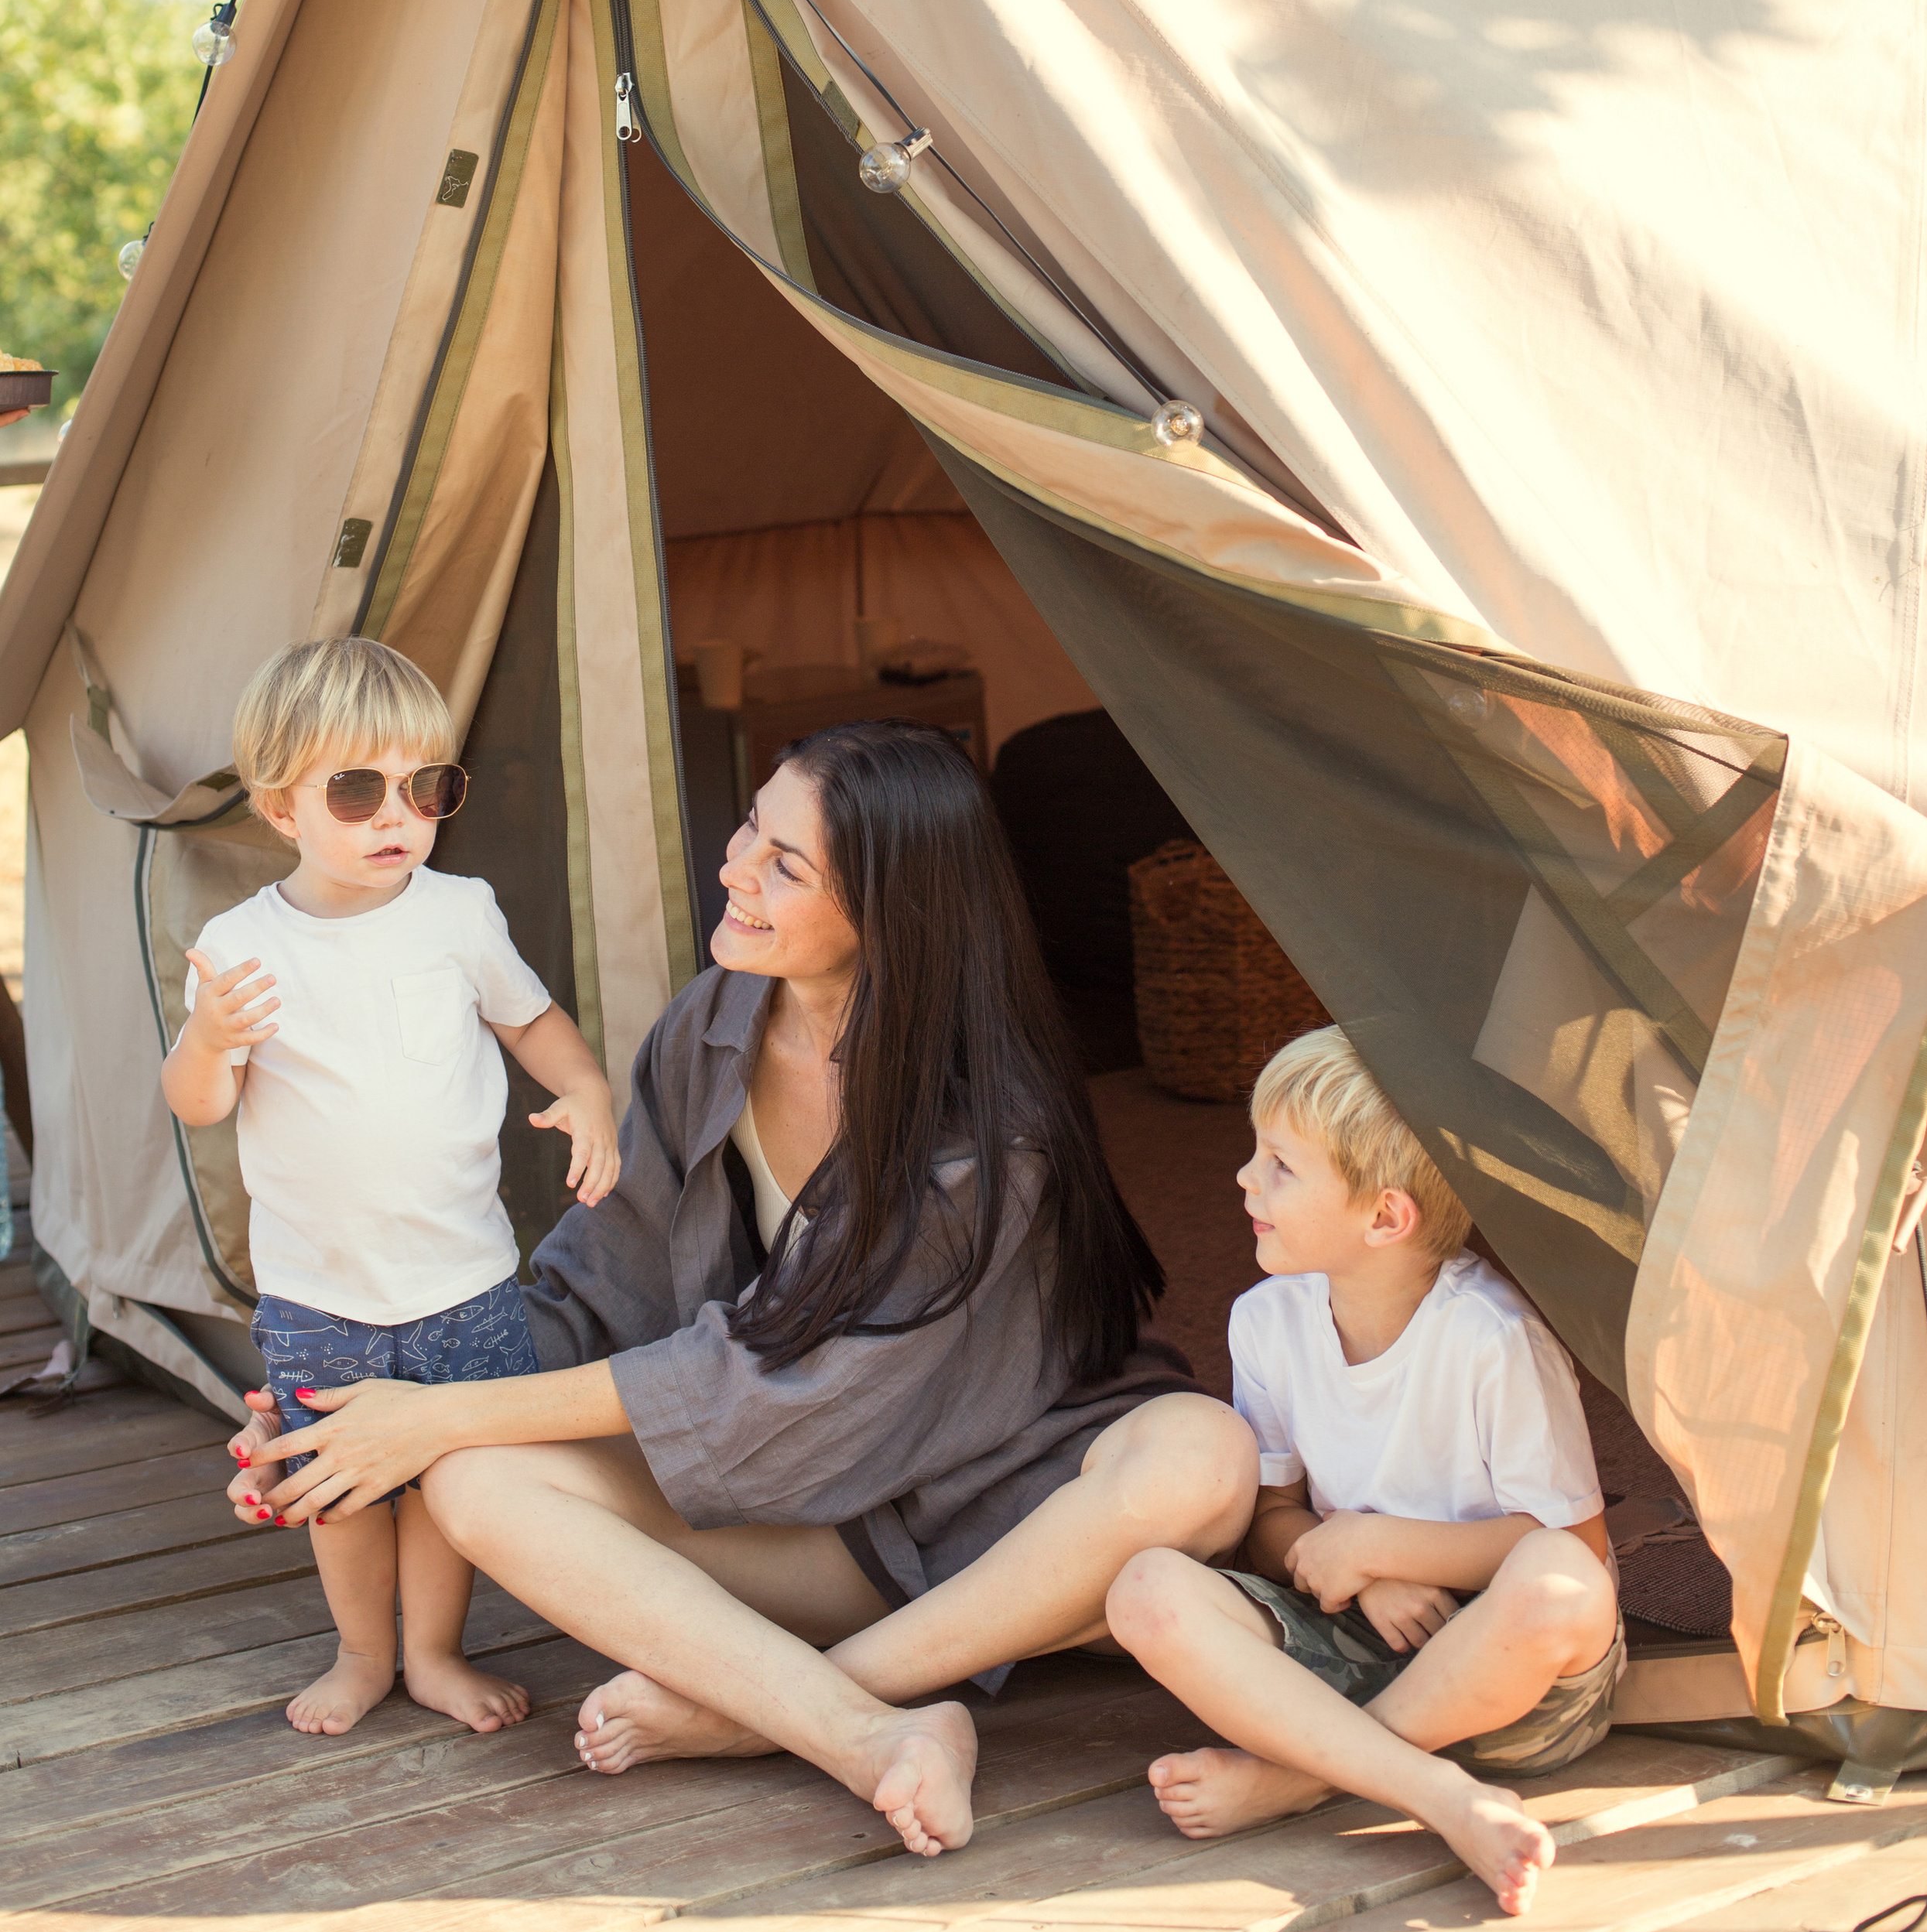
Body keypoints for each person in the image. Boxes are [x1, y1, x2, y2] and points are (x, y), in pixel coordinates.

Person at [228, 720, 1257, 1857]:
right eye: (749, 833)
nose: (735, 872)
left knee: (1205, 1454)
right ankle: (869, 1734)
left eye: (785, 865)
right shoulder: (713, 1023)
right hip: (835, 1530)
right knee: (475, 1482)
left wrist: (437, 1415)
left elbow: (776, 1394)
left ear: (892, 913)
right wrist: (358, 1409)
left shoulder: (989, 1140)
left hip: (1017, 1518)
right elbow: (597, 1281)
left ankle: (772, 1709)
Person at [167, 636, 621, 1738]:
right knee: (343, 1490)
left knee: (449, 1478)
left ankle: (431, 1653)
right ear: (282, 810)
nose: (397, 816)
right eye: (360, 788)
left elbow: (531, 1019)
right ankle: (363, 1652)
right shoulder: (237, 947)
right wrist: (210, 1039)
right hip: (321, 1290)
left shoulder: (457, 913)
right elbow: (200, 1105)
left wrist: (589, 1091)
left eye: (426, 787)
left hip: (461, 1275)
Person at [1104, 1026, 1621, 1919]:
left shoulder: (1494, 1339)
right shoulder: (1267, 1321)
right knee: (1145, 1590)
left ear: (1385, 1217)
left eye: (1279, 1166)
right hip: (1352, 1635)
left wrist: (1385, 1548)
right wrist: (1345, 1567)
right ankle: (1433, 1794)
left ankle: (1302, 1778)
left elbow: (1573, 1546)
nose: (1243, 1180)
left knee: (1561, 1588)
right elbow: (1269, 1520)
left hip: (1510, 1687)